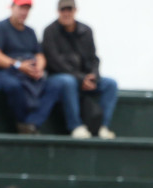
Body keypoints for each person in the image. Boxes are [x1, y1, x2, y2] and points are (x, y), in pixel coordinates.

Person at [41, 0, 118, 139]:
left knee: (111, 84)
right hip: (59, 78)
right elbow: (55, 62)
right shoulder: (50, 31)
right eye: (63, 10)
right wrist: (80, 78)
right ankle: (75, 126)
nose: (66, 13)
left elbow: (94, 59)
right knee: (68, 81)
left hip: (84, 78)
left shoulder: (86, 31)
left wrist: (94, 76)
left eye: (69, 10)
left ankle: (103, 127)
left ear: (75, 10)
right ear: (58, 12)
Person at [0, 0, 63, 134]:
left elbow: (40, 55)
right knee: (14, 86)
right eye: (21, 8)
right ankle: (21, 123)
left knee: (56, 85)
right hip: (1, 73)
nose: (24, 12)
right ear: (12, 7)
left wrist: (38, 68)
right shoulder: (0, 28)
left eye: (27, 9)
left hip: (27, 75)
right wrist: (18, 65)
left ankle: (31, 124)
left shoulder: (30, 32)